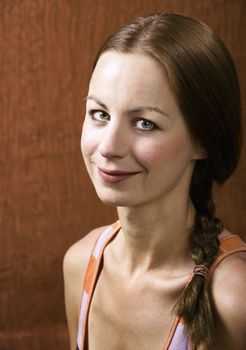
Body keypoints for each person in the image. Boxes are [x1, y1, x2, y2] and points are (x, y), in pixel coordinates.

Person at [63, 12, 246, 350]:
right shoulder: (80, 263)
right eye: (99, 114)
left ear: (203, 139)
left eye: (144, 123)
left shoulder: (235, 299)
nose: (108, 147)